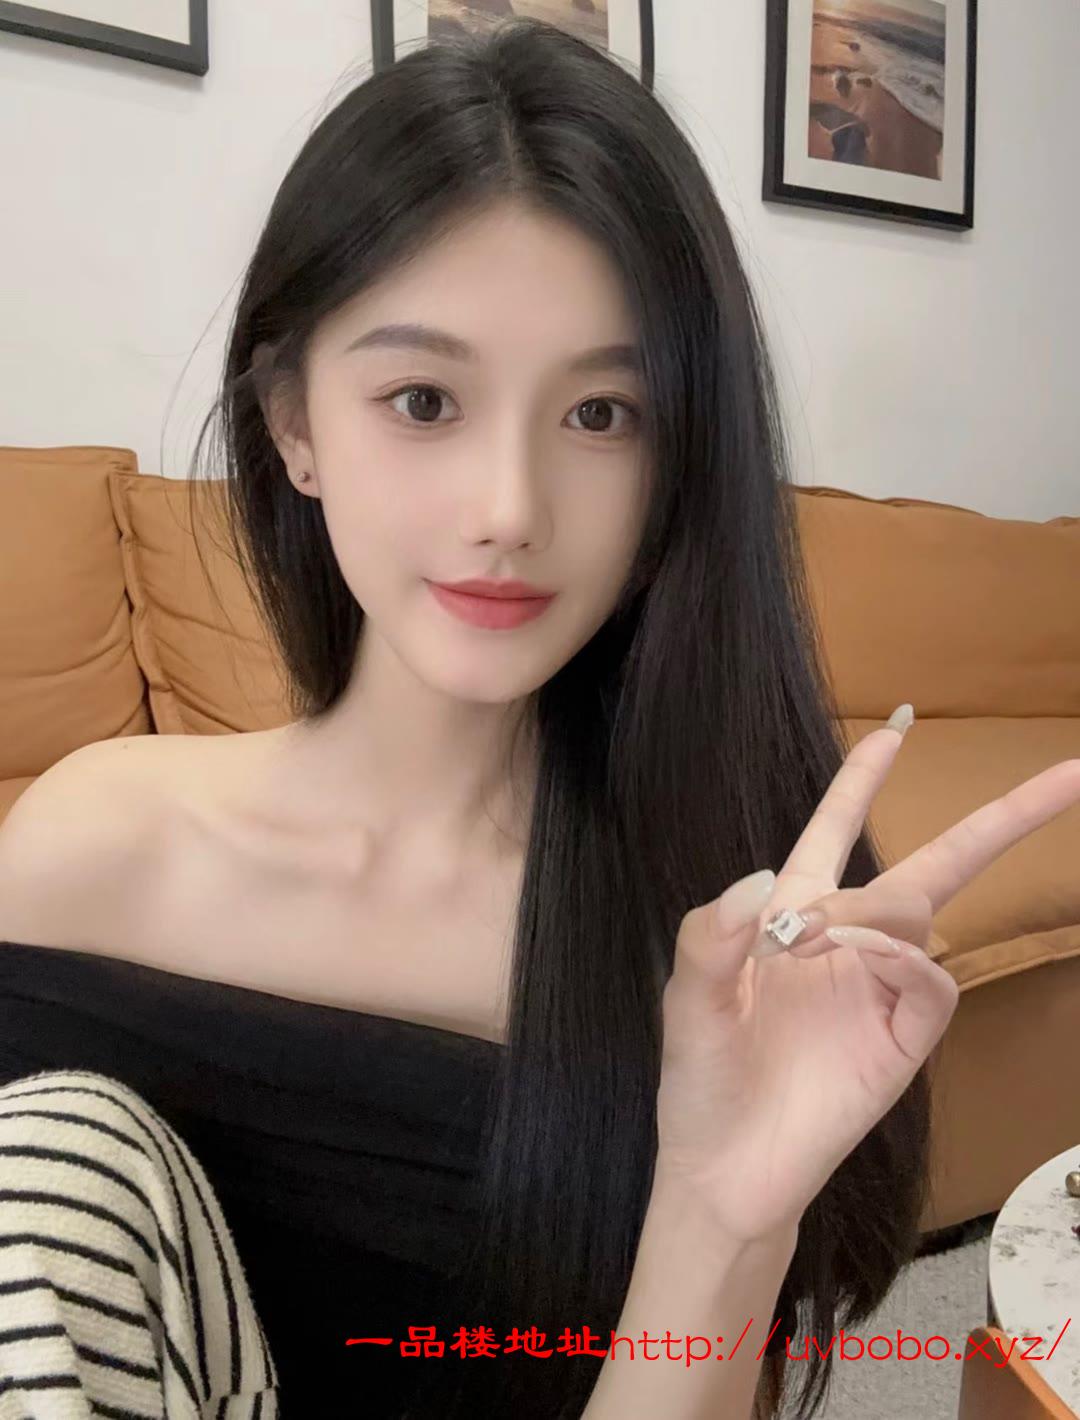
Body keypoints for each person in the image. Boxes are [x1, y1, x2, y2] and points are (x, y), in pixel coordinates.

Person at [3, 15, 1076, 1419]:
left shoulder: (717, 925)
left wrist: (719, 1216)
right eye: (424, 399)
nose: (509, 509)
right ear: (295, 426)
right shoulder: (89, 850)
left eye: (602, 416)